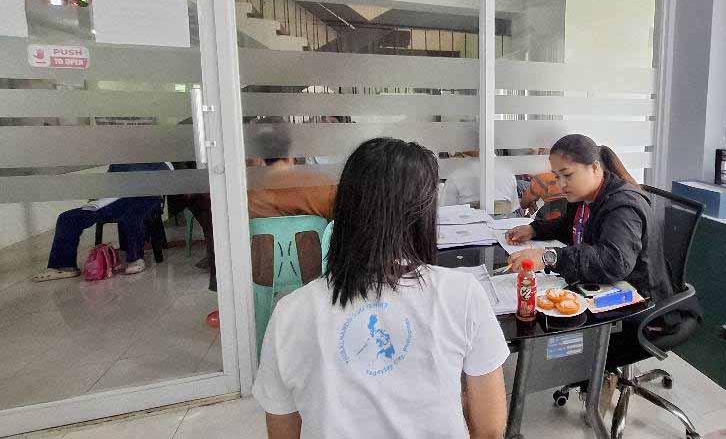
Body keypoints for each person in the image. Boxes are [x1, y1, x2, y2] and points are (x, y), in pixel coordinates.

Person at [253, 138, 509, 439]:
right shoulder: (461, 294)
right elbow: (489, 430)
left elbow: (282, 433)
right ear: (424, 216)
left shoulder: (290, 312)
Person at [504, 134, 674, 305]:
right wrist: (534, 229)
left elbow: (613, 262)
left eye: (567, 175)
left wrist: (548, 257)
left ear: (594, 168)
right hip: (598, 287)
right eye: (556, 176)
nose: (561, 184)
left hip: (638, 301)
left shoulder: (623, 206)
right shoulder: (583, 197)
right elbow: (570, 226)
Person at [32, 162, 173, 282]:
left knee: (131, 218)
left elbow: (166, 179)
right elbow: (108, 182)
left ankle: (135, 258)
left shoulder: (157, 159)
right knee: (67, 218)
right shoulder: (118, 162)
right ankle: (64, 266)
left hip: (145, 198)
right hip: (113, 200)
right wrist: (98, 196)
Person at [440, 151, 521, 214]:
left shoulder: (457, 175)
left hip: (468, 226)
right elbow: (513, 207)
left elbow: (445, 210)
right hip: (503, 226)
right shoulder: (507, 171)